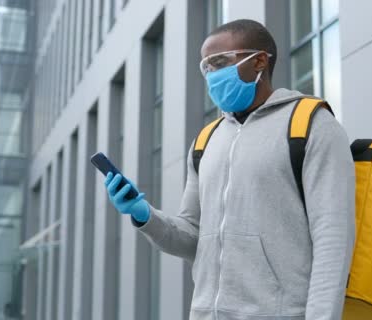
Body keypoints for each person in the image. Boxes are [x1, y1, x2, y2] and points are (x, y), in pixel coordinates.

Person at [104, 19, 355, 320]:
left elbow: (333, 239)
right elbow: (194, 238)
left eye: (219, 62)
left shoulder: (312, 124)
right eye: (206, 68)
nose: (211, 75)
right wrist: (144, 214)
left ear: (259, 61)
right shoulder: (205, 140)